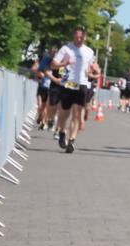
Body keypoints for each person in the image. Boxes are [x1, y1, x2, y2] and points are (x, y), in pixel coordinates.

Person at [50, 26, 100, 154]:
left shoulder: (89, 51)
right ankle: (62, 132)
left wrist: (93, 71)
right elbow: (53, 64)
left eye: (81, 37)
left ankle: (71, 141)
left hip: (82, 84)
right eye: (77, 37)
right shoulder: (66, 48)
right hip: (68, 83)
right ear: (73, 36)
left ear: (85, 37)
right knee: (64, 114)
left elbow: (93, 67)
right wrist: (65, 64)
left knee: (77, 114)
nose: (79, 39)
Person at [31, 46, 57, 129]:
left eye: (54, 54)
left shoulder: (57, 64)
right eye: (52, 53)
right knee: (40, 105)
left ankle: (43, 121)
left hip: (49, 88)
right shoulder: (44, 61)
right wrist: (39, 73)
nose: (53, 55)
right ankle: (41, 117)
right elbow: (34, 68)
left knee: (45, 106)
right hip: (41, 86)